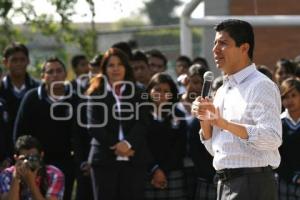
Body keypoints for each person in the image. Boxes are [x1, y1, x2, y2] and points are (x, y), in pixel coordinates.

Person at [192, 19, 282, 200]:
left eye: (223, 43)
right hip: (224, 182)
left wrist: (223, 123)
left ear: (244, 48)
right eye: (215, 43)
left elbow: (272, 138)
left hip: (253, 183)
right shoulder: (223, 90)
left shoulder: (260, 85)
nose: (215, 49)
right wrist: (205, 120)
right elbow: (217, 149)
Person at [86, 48, 151, 200]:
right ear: (104, 69)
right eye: (111, 65)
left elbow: (143, 122)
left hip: (134, 159)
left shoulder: (139, 91)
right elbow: (93, 125)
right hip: (104, 159)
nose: (115, 68)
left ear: (126, 67)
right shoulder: (95, 93)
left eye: (120, 64)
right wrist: (117, 146)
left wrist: (127, 144)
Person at [13, 57, 76, 200]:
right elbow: (19, 132)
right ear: (43, 77)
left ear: (65, 74)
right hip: (34, 161)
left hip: (65, 163)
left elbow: (81, 134)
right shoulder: (31, 98)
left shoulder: (75, 99)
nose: (55, 75)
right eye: (50, 71)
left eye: (59, 71)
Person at [144, 73, 187, 200]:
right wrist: (154, 170)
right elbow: (141, 145)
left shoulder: (178, 114)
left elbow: (180, 146)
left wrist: (163, 171)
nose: (161, 94)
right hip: (147, 173)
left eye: (166, 91)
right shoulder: (142, 114)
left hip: (173, 173)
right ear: (149, 90)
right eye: (157, 89)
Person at [179, 64, 216, 200]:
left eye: (202, 83)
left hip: (204, 169)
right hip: (181, 166)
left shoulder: (210, 107)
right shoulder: (175, 104)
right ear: (186, 81)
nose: (198, 87)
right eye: (194, 82)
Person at [0, 42, 39, 160]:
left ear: (28, 61)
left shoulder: (37, 90)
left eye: (22, 60)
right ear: (5, 62)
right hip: (4, 157)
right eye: (14, 60)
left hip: (32, 155)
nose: (18, 64)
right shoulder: (1, 90)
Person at [0, 135, 64, 200]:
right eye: (24, 158)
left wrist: (31, 183)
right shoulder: (7, 174)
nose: (28, 162)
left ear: (41, 155)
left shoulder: (53, 174)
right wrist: (16, 178)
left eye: (33, 158)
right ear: (16, 158)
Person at [277, 78, 300, 199]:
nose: (289, 100)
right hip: (284, 183)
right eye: (285, 97)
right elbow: (277, 157)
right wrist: (293, 177)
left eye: (294, 95)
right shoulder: (278, 123)